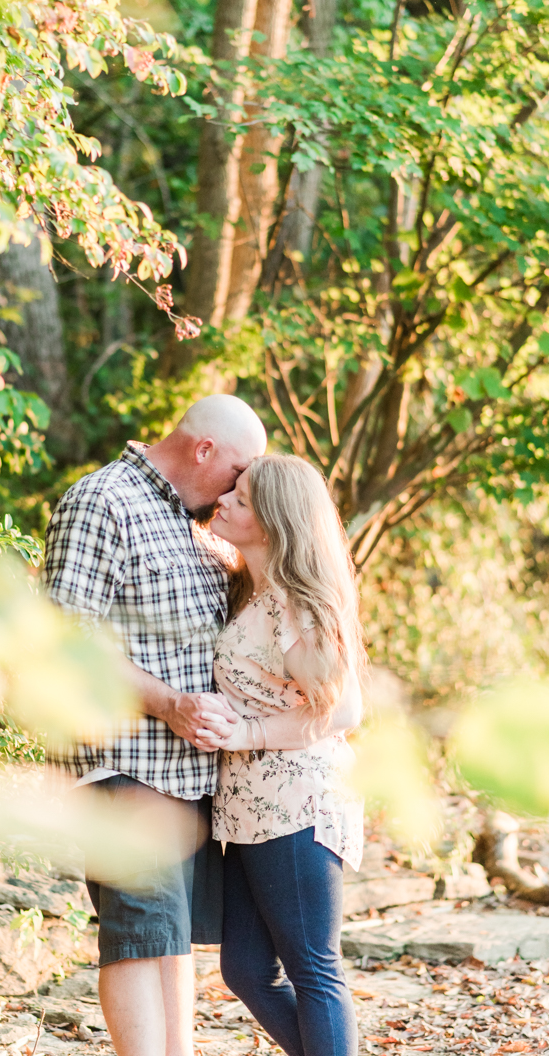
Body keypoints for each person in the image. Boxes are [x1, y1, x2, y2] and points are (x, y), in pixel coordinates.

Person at [43, 394, 267, 1056]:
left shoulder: (201, 526)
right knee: (139, 935)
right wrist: (170, 703)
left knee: (172, 940)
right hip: (127, 758)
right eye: (239, 468)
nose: (240, 484)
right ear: (204, 450)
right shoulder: (102, 500)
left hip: (189, 774)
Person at [195, 453, 366, 1056]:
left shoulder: (298, 603)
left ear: (271, 521)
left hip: (297, 802)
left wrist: (247, 734)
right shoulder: (251, 588)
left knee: (314, 970)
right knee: (244, 971)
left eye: (240, 498)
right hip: (246, 807)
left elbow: (343, 711)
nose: (225, 501)